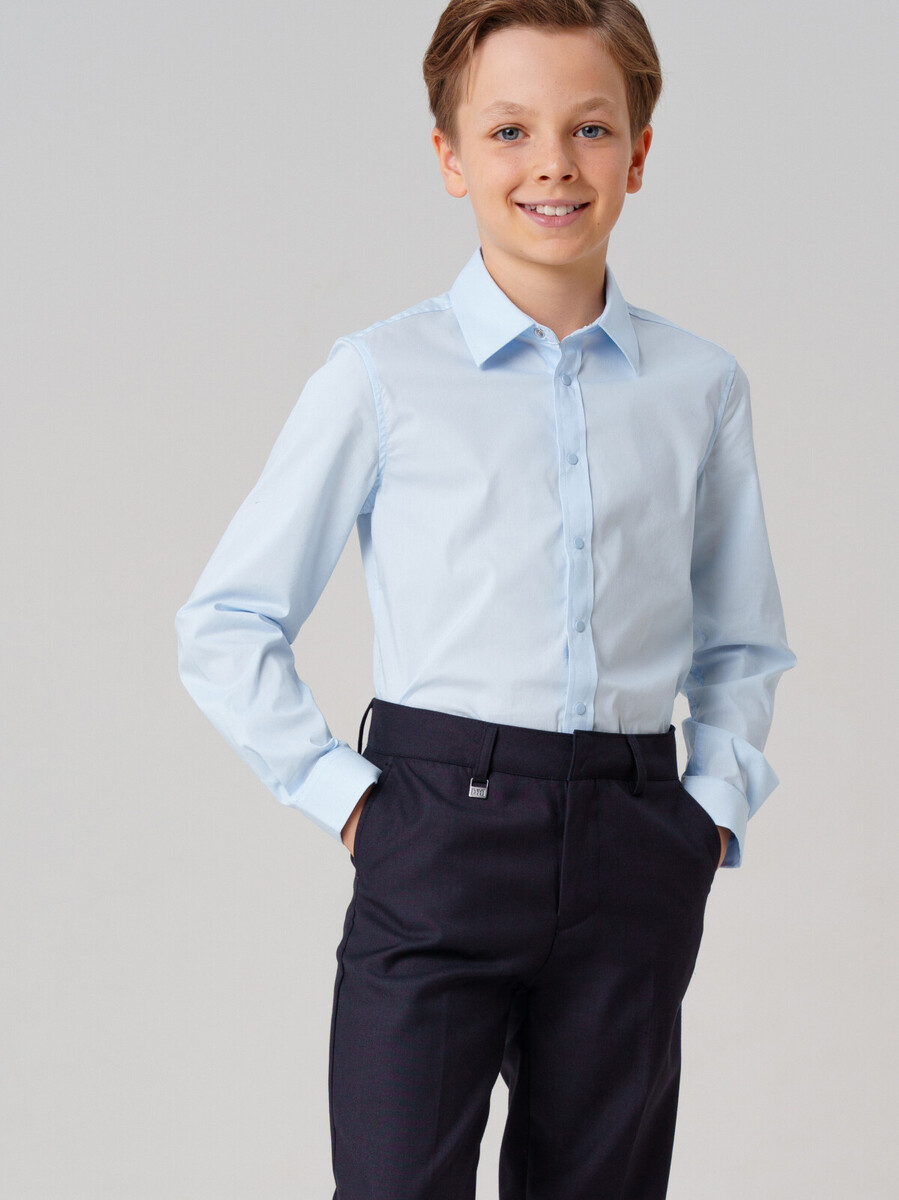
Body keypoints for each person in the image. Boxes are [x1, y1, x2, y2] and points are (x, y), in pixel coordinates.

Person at [175, 0, 796, 1195]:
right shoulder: (379, 377)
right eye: (508, 130)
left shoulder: (699, 386)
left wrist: (706, 813)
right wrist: (356, 808)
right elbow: (226, 620)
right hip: (435, 834)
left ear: (637, 154)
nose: (552, 163)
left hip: (632, 840)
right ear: (450, 156)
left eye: (589, 128)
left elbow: (739, 639)